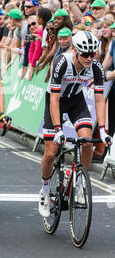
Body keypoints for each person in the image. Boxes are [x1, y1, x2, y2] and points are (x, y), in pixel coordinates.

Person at [38, 31, 112, 218]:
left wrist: (102, 130)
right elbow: (54, 99)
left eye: (92, 53)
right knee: (50, 152)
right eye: (85, 54)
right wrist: (57, 129)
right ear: (75, 51)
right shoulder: (62, 62)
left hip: (76, 101)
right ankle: (45, 191)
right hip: (55, 101)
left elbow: (99, 100)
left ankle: (79, 183)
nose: (89, 58)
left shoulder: (95, 66)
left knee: (87, 142)